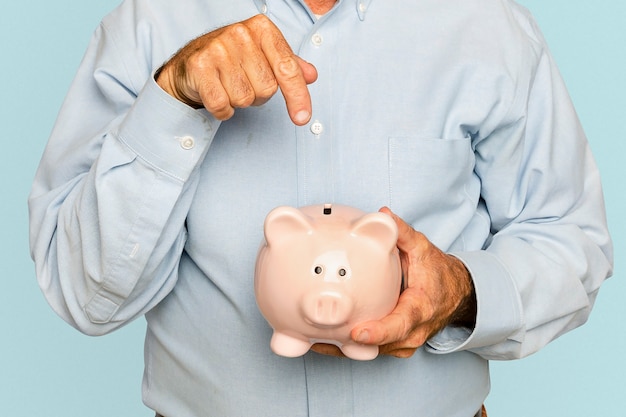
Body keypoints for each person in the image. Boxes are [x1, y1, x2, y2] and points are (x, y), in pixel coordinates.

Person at [28, 0, 613, 416]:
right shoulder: (148, 24)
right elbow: (86, 297)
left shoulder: (489, 27)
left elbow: (572, 239)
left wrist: (459, 293)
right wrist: (173, 102)